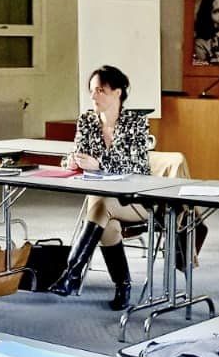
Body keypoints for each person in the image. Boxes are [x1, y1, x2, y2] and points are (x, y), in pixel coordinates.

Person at [47, 65, 152, 309]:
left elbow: (137, 165)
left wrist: (99, 163)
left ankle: (72, 274)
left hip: (137, 200)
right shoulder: (86, 120)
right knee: (108, 228)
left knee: (100, 203)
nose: (93, 96)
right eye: (92, 91)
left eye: (100, 91)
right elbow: (74, 153)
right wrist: (71, 161)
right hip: (104, 201)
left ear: (117, 92)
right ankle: (123, 285)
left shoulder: (136, 123)